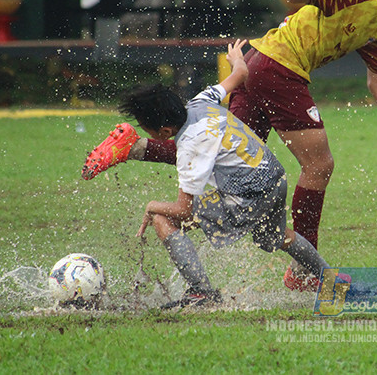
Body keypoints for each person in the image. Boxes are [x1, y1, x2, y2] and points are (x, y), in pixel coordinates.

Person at [83, 0, 377, 291]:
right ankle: (303, 273)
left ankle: (135, 147)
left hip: (260, 65)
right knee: (319, 165)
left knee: (229, 152)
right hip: (280, 68)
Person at [120, 40, 336, 307]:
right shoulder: (200, 101)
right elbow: (240, 74)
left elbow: (184, 210)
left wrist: (152, 206)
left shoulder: (189, 146)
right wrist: (237, 59)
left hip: (248, 196)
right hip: (274, 178)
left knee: (163, 218)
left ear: (164, 131)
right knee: (277, 235)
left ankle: (201, 292)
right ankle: (332, 280)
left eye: (146, 129)